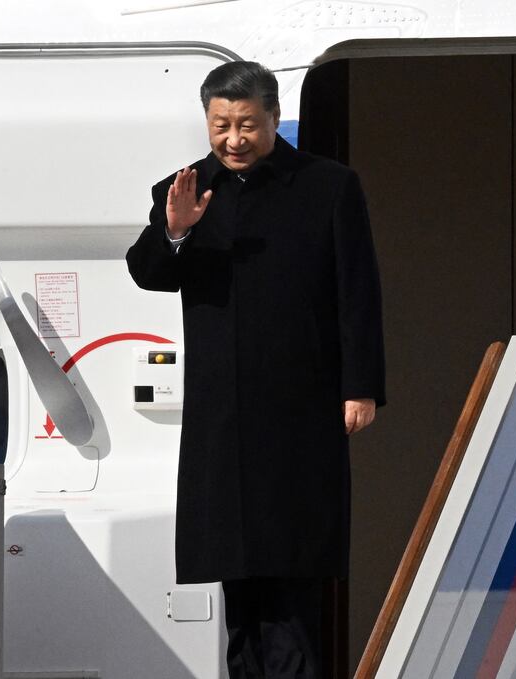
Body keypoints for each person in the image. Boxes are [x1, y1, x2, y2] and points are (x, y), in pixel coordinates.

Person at [126, 61, 385, 679]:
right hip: (225, 413)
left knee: (294, 571)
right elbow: (148, 271)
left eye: (247, 125)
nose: (234, 139)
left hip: (303, 404)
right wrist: (175, 231)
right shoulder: (186, 188)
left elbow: (359, 289)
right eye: (221, 125)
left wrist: (362, 386)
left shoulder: (327, 186)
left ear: (274, 117)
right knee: (237, 575)